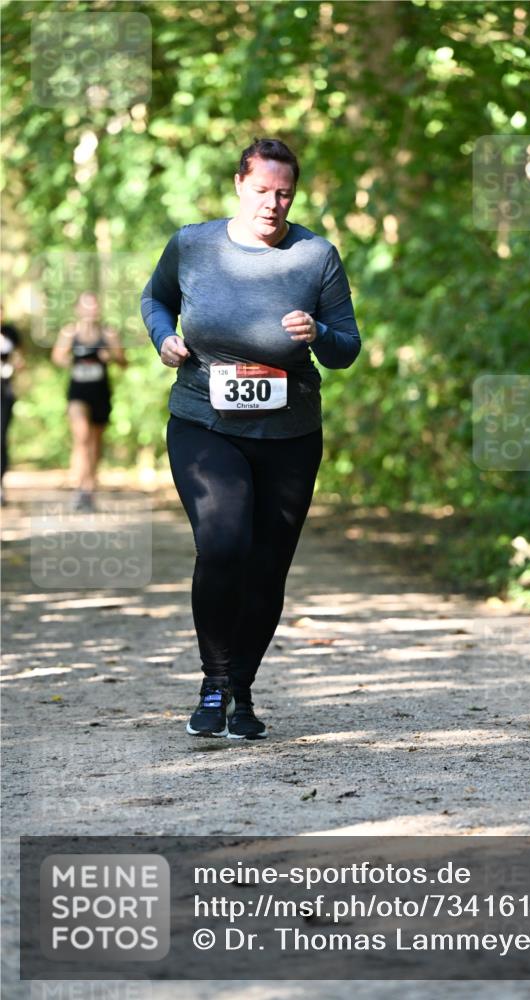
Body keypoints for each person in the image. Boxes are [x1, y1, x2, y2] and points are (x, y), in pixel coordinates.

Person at [141, 137, 361, 740]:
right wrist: (164, 338)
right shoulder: (193, 245)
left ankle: (242, 691)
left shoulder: (315, 256)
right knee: (223, 542)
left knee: (267, 566)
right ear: (240, 184)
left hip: (290, 433)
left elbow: (346, 347)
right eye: (262, 190)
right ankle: (213, 683)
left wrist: (317, 332)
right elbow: (155, 299)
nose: (272, 203)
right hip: (204, 422)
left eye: (284, 193)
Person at [51, 291, 127, 511]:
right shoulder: (70, 332)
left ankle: (90, 487)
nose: (90, 310)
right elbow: (57, 357)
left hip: (100, 393)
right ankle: (80, 488)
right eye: (86, 306)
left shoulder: (108, 333)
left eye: (94, 305)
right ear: (78, 309)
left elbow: (123, 362)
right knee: (82, 437)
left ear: (98, 309)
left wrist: (110, 356)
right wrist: (71, 361)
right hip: (78, 393)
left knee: (95, 441)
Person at [0, 303, 24, 505]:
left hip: (4, 392)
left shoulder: (10, 333)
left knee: (1, 436)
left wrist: (15, 364)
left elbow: (20, 358)